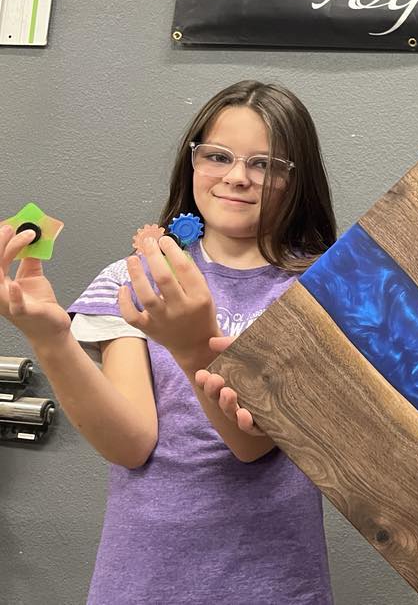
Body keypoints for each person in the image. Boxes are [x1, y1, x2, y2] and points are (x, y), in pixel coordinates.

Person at [0, 80, 337, 604]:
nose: (237, 178)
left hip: (272, 584)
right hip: (141, 580)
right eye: (218, 156)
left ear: (300, 179)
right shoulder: (133, 278)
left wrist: (192, 342)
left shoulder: (323, 292)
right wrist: (50, 336)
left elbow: (252, 444)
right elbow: (131, 444)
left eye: (266, 164)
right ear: (193, 160)